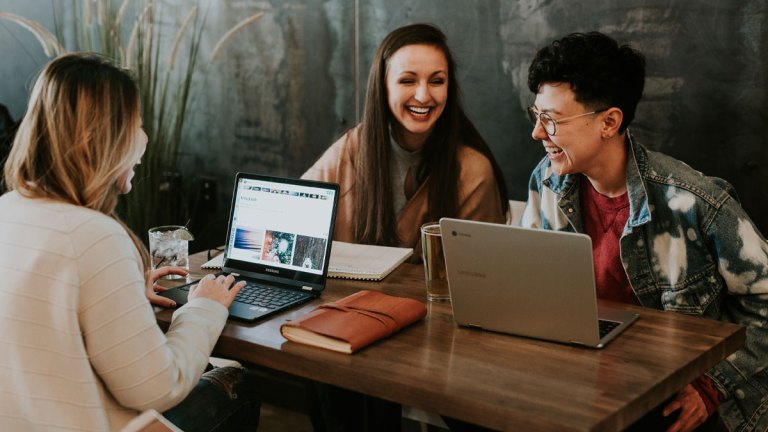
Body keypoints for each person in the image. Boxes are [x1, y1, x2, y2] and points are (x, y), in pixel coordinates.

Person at [521, 31, 768, 432]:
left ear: (609, 122)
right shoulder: (547, 180)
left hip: (668, 395)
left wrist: (712, 387)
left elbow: (765, 302)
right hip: (580, 380)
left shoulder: (695, 203)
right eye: (536, 115)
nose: (537, 133)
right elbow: (526, 281)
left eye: (552, 120)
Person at [0, 53, 260, 431]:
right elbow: (157, 389)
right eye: (136, 125)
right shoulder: (94, 236)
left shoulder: (8, 208)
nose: (145, 138)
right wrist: (202, 308)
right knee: (238, 382)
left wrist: (126, 296)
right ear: (96, 139)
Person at [302, 23, 509, 253]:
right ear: (383, 87)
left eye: (437, 81)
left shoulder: (473, 171)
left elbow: (480, 272)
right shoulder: (352, 147)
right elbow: (294, 213)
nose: (423, 95)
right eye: (407, 81)